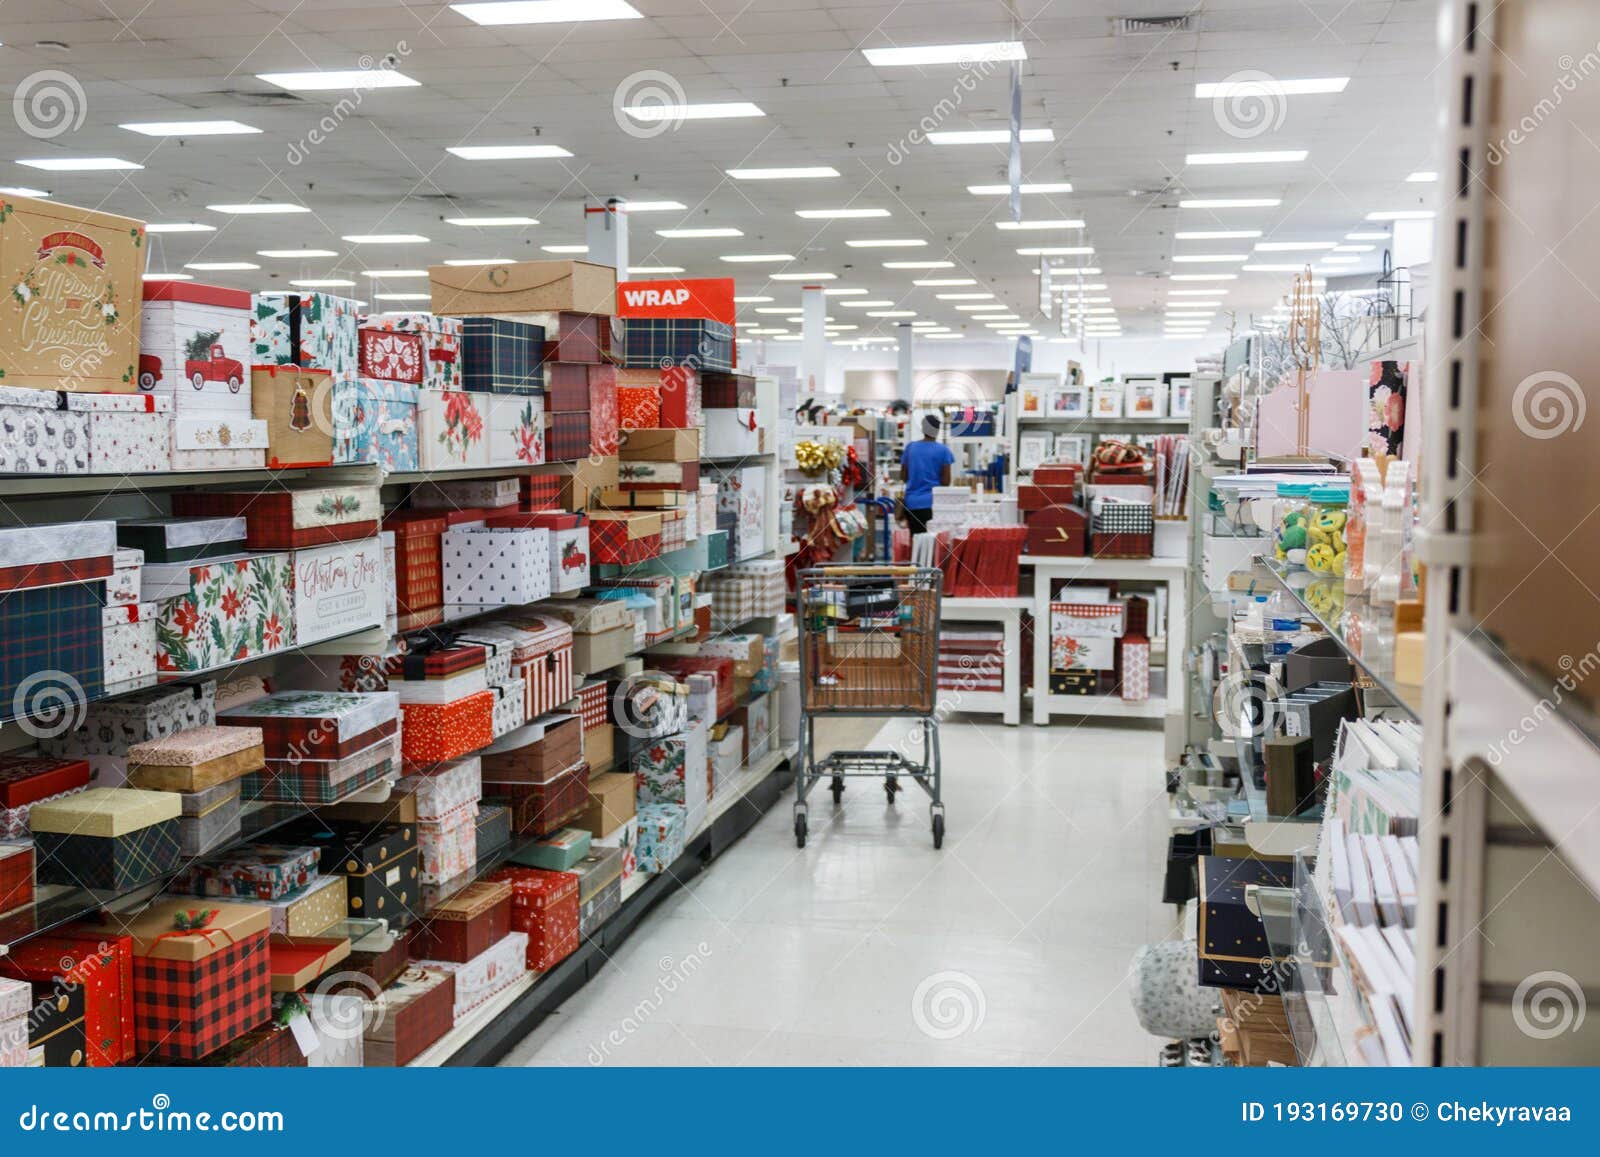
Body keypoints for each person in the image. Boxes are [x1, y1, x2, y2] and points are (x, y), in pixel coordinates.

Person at [899, 414, 955, 538]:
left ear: (923, 428)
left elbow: (903, 476)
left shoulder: (910, 448)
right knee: (933, 543)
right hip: (934, 504)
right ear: (938, 430)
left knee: (916, 541)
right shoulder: (944, 451)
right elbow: (946, 482)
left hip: (912, 503)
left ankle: (915, 558)